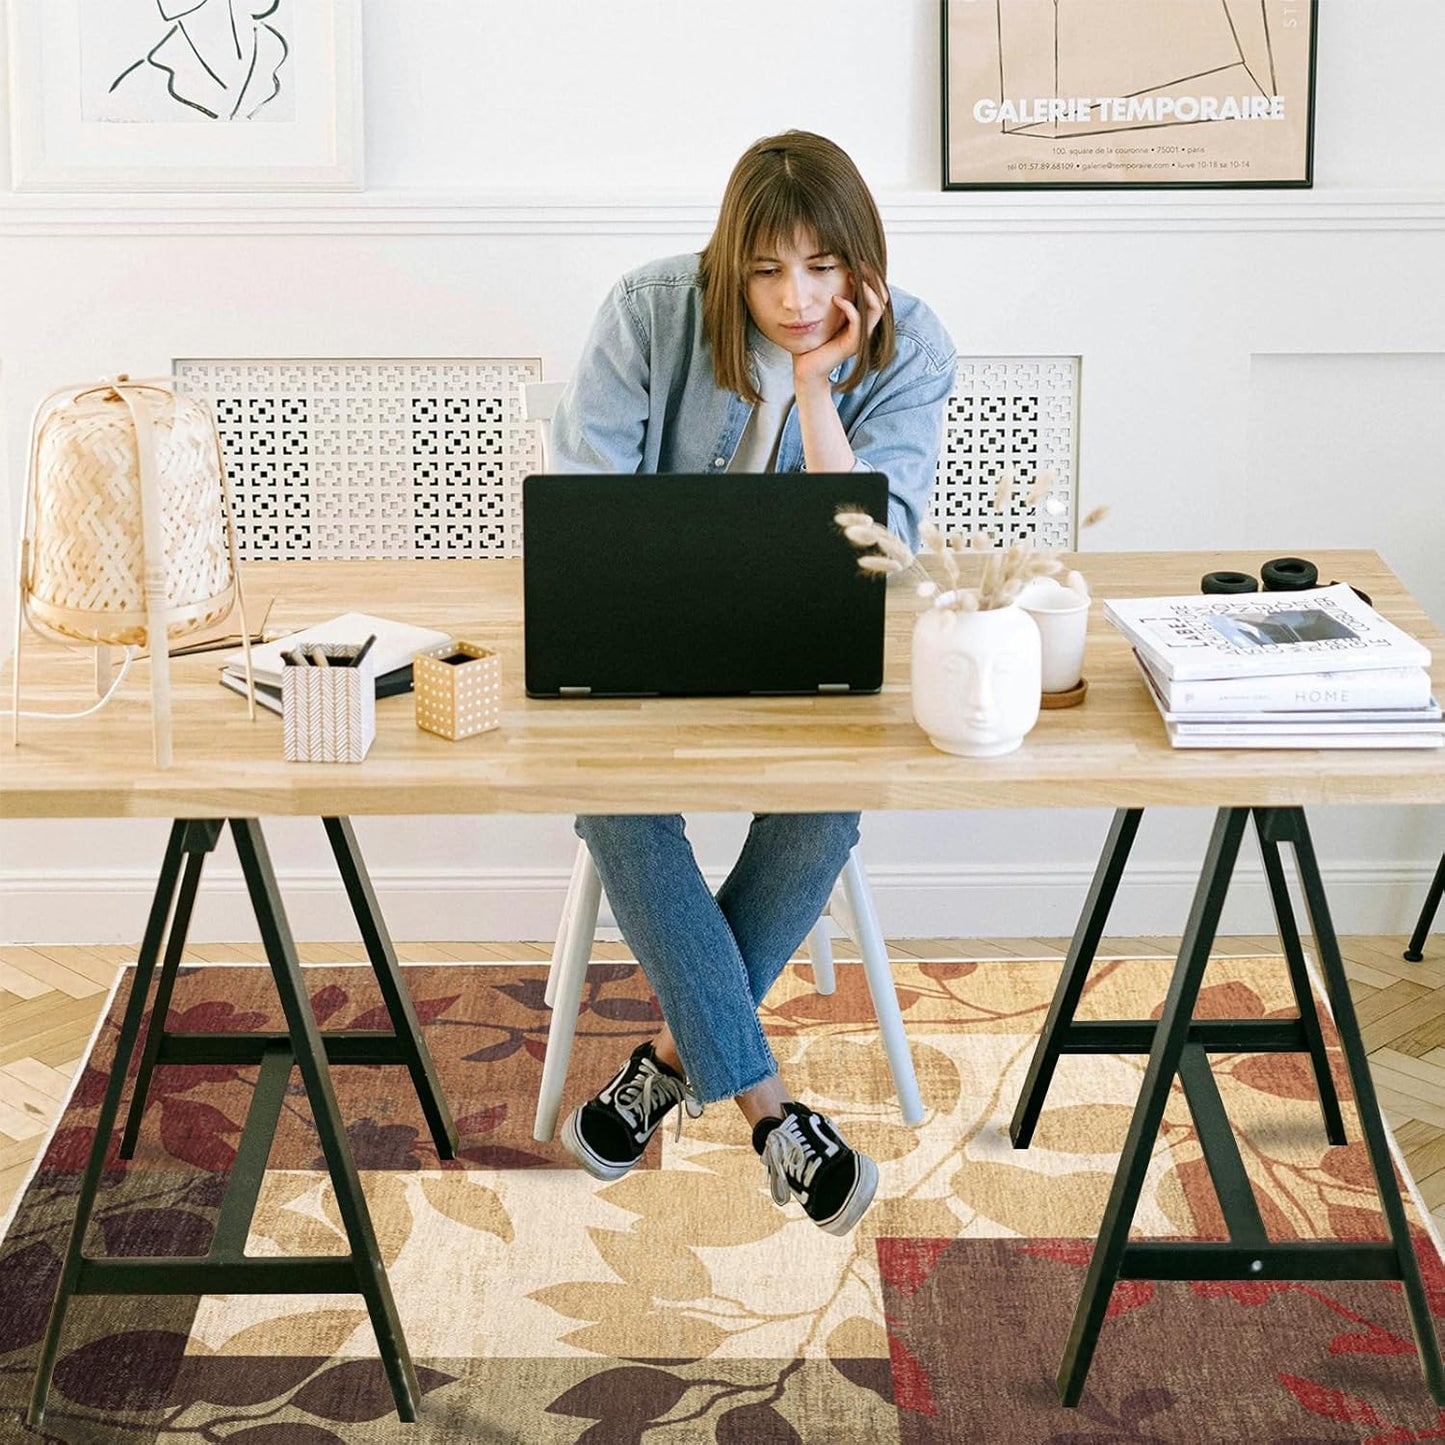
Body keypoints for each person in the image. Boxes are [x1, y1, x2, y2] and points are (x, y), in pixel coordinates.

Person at [550, 130, 956, 1236]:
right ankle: (774, 1114)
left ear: (858, 264)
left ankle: (670, 1062)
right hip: (644, 648)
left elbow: (877, 553)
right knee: (617, 800)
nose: (792, 297)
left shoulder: (908, 345)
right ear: (729, 259)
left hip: (805, 656)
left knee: (825, 801)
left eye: (821, 268)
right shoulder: (647, 311)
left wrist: (820, 390)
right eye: (766, 270)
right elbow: (584, 513)